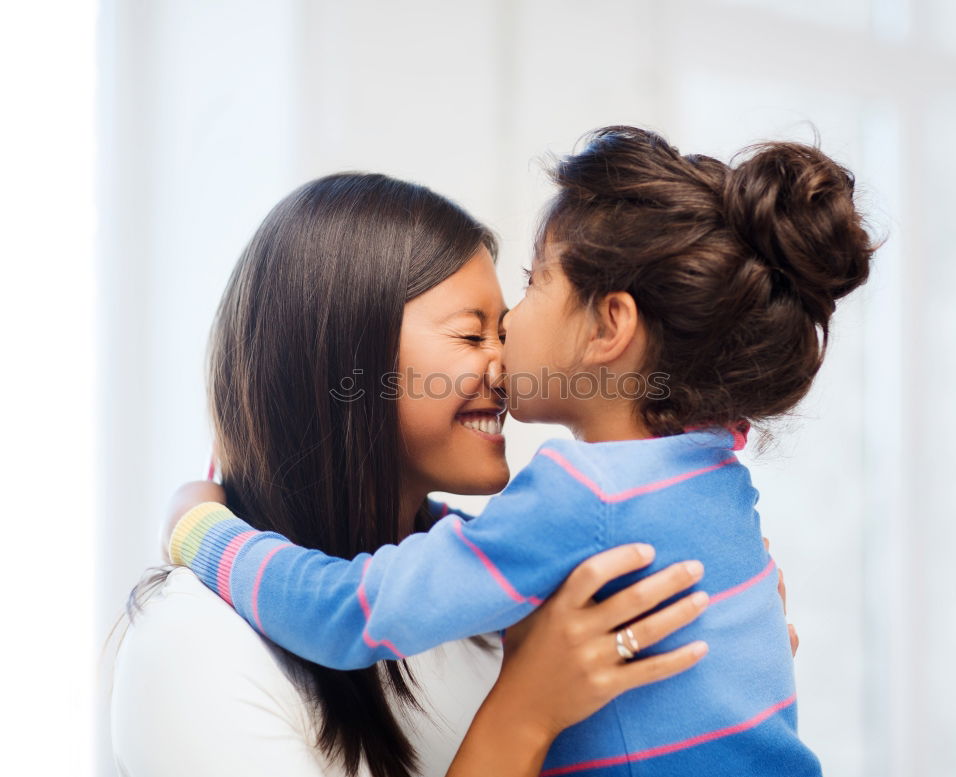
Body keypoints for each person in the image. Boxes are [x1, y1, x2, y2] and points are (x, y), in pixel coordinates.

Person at [167, 126, 870, 775]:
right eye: (474, 335)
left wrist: (201, 529)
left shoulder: (579, 493)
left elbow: (349, 612)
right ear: (341, 353)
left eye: (532, 286)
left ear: (610, 326)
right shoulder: (713, 470)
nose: (503, 351)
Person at [111, 171, 719, 777]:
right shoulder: (192, 643)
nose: (507, 368)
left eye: (503, 333)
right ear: (345, 358)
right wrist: (526, 712)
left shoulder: (496, 607)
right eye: (470, 334)